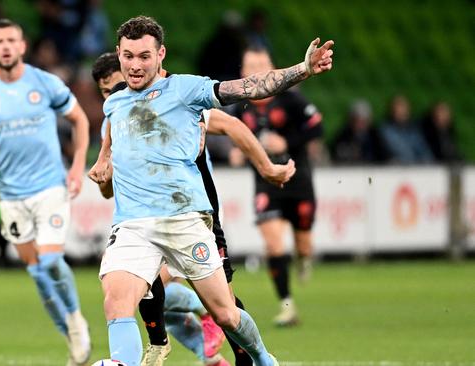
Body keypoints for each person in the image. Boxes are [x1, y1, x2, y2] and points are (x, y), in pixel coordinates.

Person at [89, 16, 333, 366]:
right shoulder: (114, 104)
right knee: (115, 303)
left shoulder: (185, 90)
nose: (135, 65)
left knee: (226, 314)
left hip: (185, 219)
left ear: (161, 55)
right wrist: (102, 168)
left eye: (144, 56)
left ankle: (263, 358)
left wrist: (302, 69)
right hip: (132, 226)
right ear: (119, 53)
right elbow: (109, 154)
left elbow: (249, 87)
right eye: (128, 56)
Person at [0, 19, 91, 365]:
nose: (5, 46)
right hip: (11, 196)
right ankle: (70, 337)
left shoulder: (45, 82)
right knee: (36, 271)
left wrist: (77, 166)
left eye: (11, 40)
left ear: (22, 46)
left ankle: (77, 318)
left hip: (50, 187)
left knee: (50, 261)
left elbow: (80, 120)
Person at [233, 46, 324, 326]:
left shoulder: (291, 99)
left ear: (273, 68)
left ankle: (304, 259)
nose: (257, 69)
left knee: (303, 245)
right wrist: (238, 149)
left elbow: (316, 127)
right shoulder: (240, 105)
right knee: (274, 244)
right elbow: (230, 131)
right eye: (251, 64)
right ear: (243, 72)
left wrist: (288, 143)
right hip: (266, 184)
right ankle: (287, 305)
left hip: (299, 181)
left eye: (262, 62)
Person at [379, 95, 434, 164]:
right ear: (392, 110)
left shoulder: (415, 130)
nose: (402, 111)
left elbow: (425, 153)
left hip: (417, 169)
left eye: (404, 108)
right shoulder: (386, 131)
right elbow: (402, 154)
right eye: (398, 108)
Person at [330, 99, 389, 164]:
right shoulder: (343, 136)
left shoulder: (375, 137)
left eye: (363, 121)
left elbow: (383, 158)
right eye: (356, 120)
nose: (360, 124)